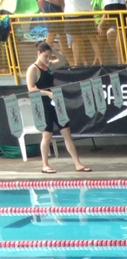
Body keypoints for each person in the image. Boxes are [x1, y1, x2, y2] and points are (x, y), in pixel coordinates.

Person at [26, 42, 92, 175]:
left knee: (66, 132)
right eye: (45, 56)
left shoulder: (49, 65)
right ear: (38, 54)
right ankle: (45, 165)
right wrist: (47, 93)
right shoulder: (33, 69)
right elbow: (31, 89)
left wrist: (55, 50)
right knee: (47, 135)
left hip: (55, 103)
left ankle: (77, 163)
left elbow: (63, 61)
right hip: (43, 104)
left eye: (49, 56)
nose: (48, 59)